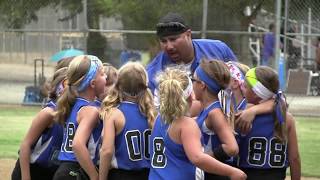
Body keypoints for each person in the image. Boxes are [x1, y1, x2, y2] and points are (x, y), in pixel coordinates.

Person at [149, 68, 247, 180]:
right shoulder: (186, 124)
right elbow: (197, 158)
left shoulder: (159, 118)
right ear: (191, 94)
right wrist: (231, 172)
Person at [146, 12, 237, 94]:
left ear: (188, 34)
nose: (169, 46)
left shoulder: (218, 50)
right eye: (164, 41)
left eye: (173, 39)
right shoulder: (153, 73)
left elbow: (241, 82)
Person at [238, 66, 301, 180]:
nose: (242, 89)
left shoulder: (243, 116)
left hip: (249, 175)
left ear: (256, 92)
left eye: (246, 87)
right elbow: (294, 158)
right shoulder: (287, 118)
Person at [53, 55, 106, 180]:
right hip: (76, 171)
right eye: (103, 74)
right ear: (92, 83)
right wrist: (94, 175)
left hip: (66, 170)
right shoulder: (90, 111)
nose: (106, 77)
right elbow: (77, 144)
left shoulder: (73, 103)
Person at [99, 62, 155, 180]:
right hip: (149, 174)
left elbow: (107, 151)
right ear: (145, 86)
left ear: (118, 85)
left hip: (122, 174)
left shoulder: (114, 113)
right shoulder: (152, 113)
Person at [11, 67, 67, 180]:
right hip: (32, 170)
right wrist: (26, 177)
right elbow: (25, 145)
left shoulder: (74, 113)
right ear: (63, 86)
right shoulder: (49, 113)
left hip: (50, 172)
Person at [191, 60, 239, 180]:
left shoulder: (215, 112)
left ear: (202, 85)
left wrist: (205, 159)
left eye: (193, 80)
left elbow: (232, 147)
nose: (192, 84)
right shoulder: (206, 109)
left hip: (215, 175)